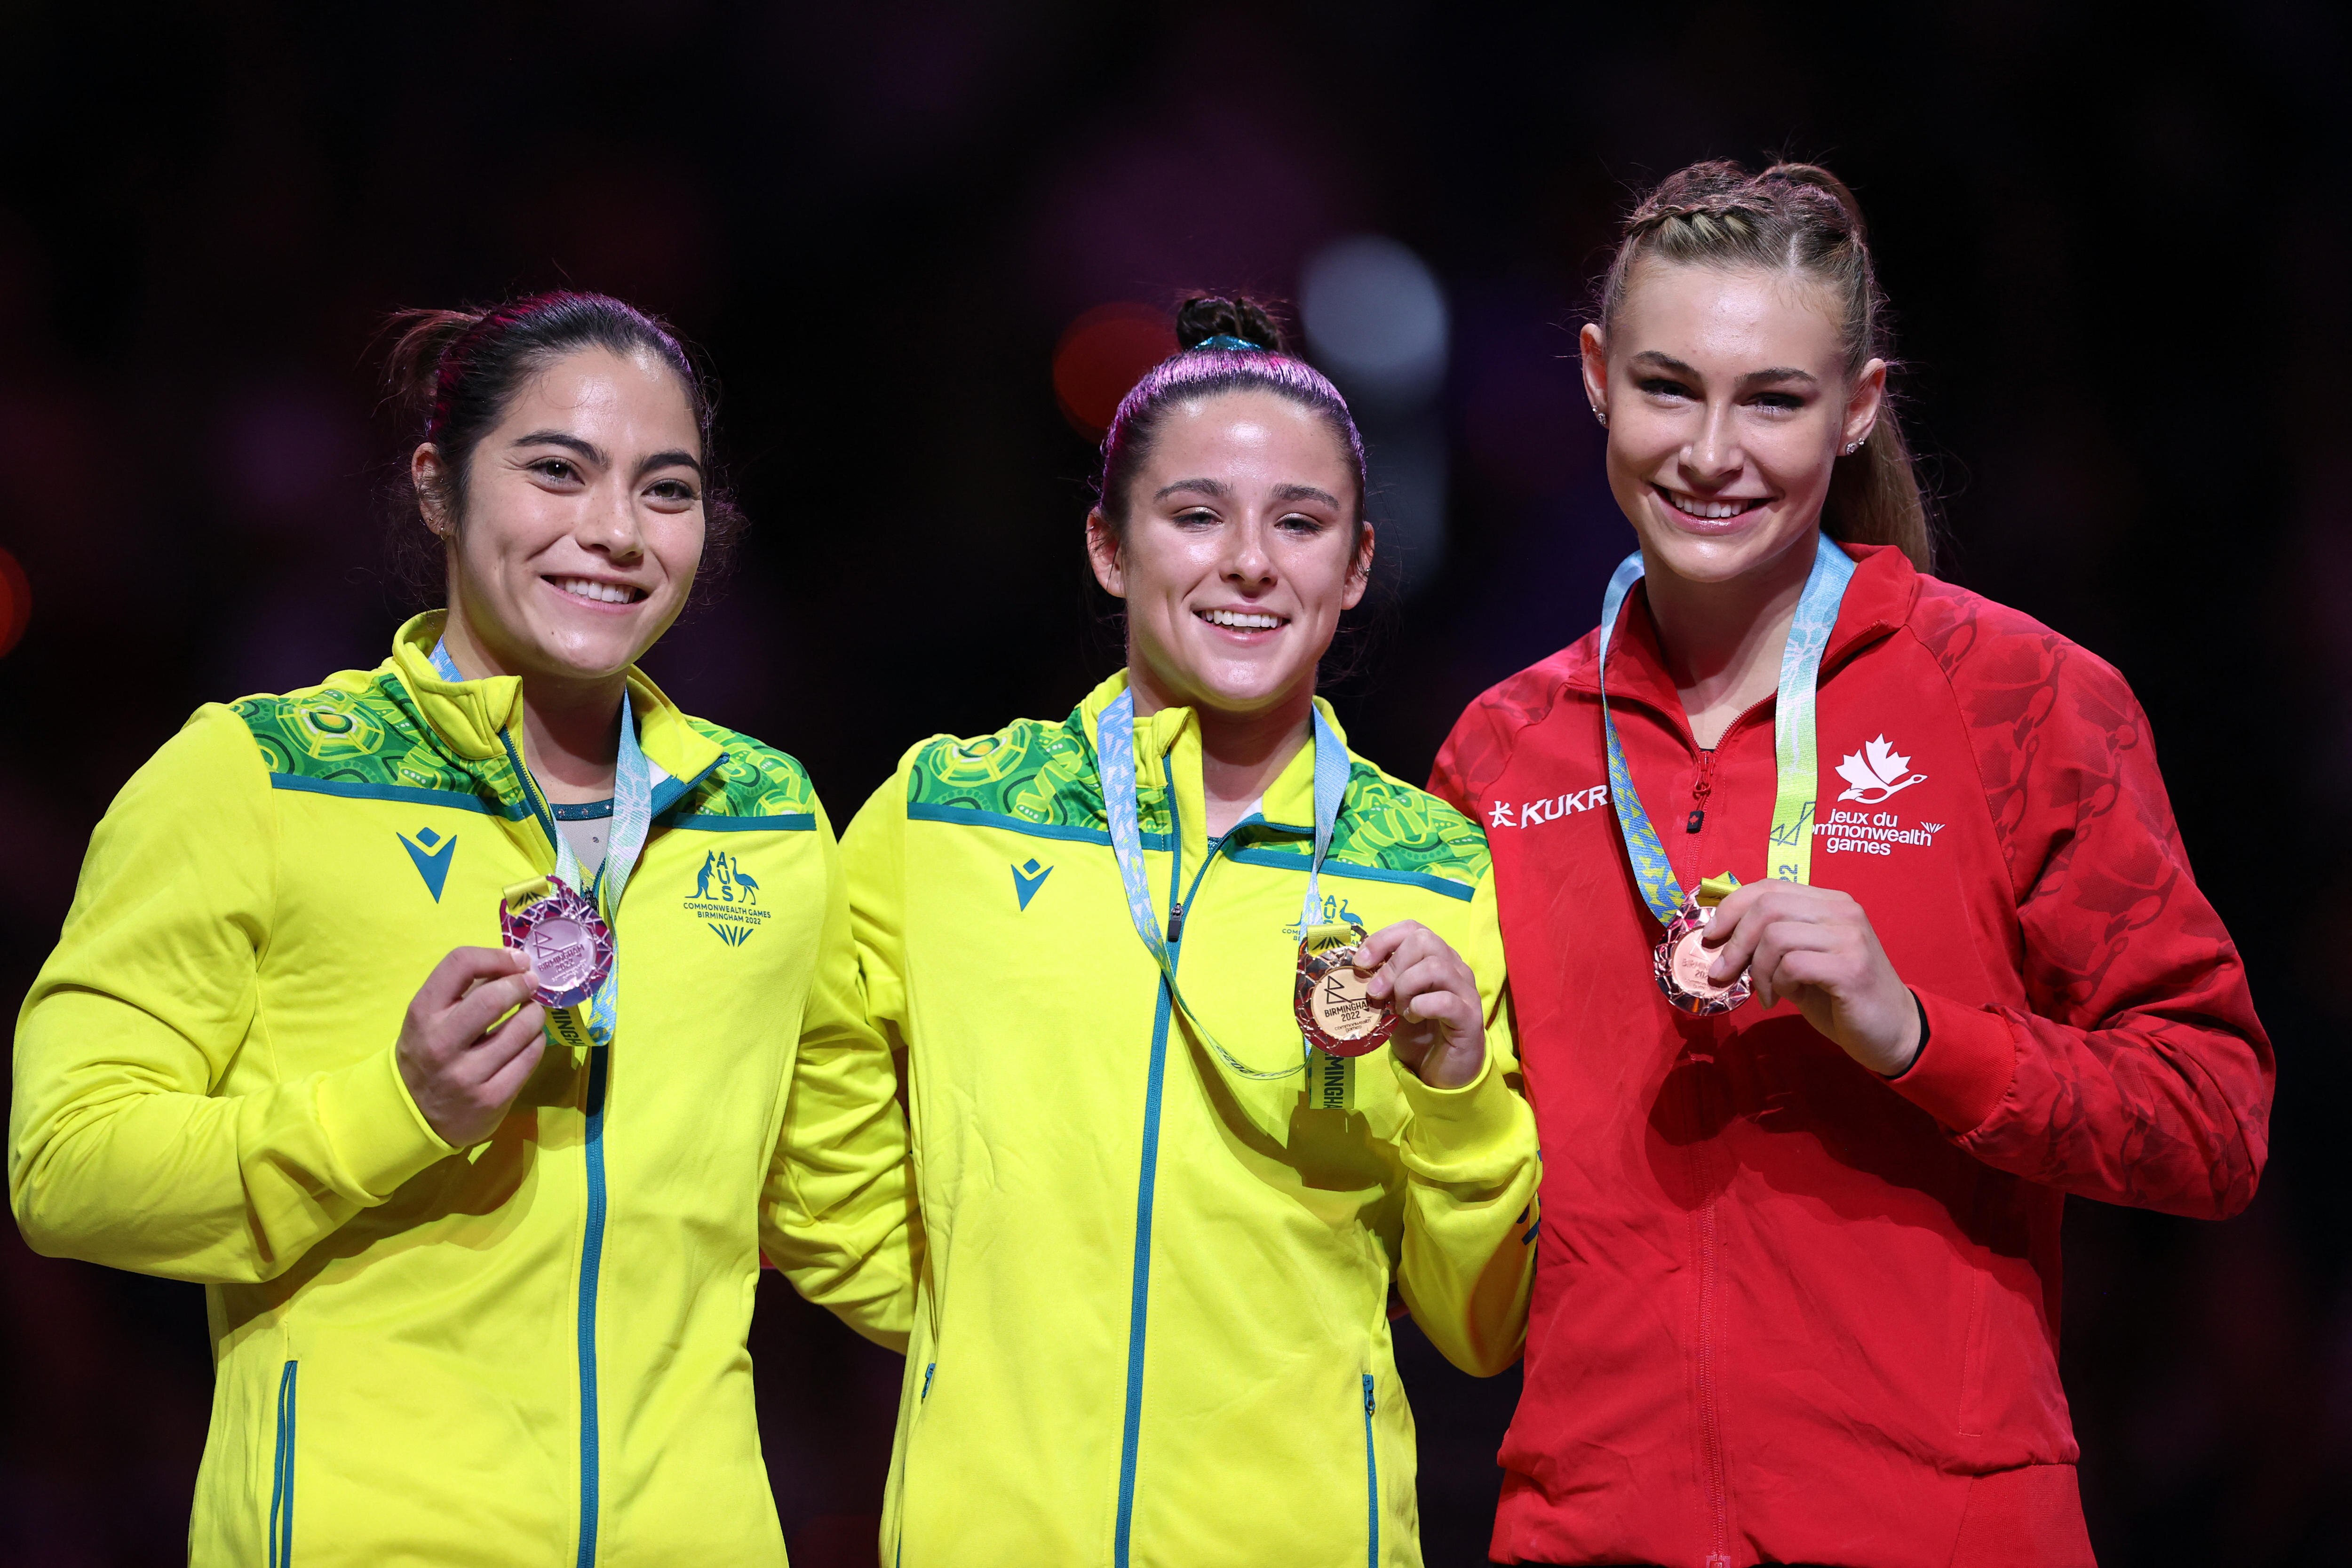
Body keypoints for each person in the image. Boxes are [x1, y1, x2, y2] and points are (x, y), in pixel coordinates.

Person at [1431, 160, 2273, 1568]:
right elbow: (1469, 1215)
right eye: (1665, 388)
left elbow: (2216, 1120)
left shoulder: (2019, 698)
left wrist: (1920, 1037)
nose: (1712, 452)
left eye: (1773, 399)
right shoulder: (1501, 749)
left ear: (1859, 407)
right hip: (1589, 1536)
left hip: (1939, 1533)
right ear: (1591, 379)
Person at [10, 291, 913, 1566]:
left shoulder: (765, 816)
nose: (613, 533)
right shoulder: (254, 779)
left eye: (666, 491)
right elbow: (67, 1167)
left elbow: (831, 1194)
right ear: (437, 487)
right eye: (557, 472)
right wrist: (394, 1111)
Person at [845, 296, 1541, 1568]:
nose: (1251, 563)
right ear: (1110, 547)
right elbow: (811, 1121)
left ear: (1360, 563)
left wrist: (1457, 1096)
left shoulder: (1438, 870)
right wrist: (971, 1318)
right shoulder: (948, 815)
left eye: (1300, 522)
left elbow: (1484, 1322)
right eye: (1196, 515)